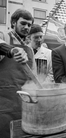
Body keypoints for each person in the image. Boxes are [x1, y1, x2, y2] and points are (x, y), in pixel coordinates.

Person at [0, 8, 34, 138]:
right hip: (4, 103)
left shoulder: (30, 49)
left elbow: (33, 77)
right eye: (23, 23)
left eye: (29, 25)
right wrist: (12, 50)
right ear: (13, 22)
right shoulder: (4, 36)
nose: (26, 27)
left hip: (24, 103)